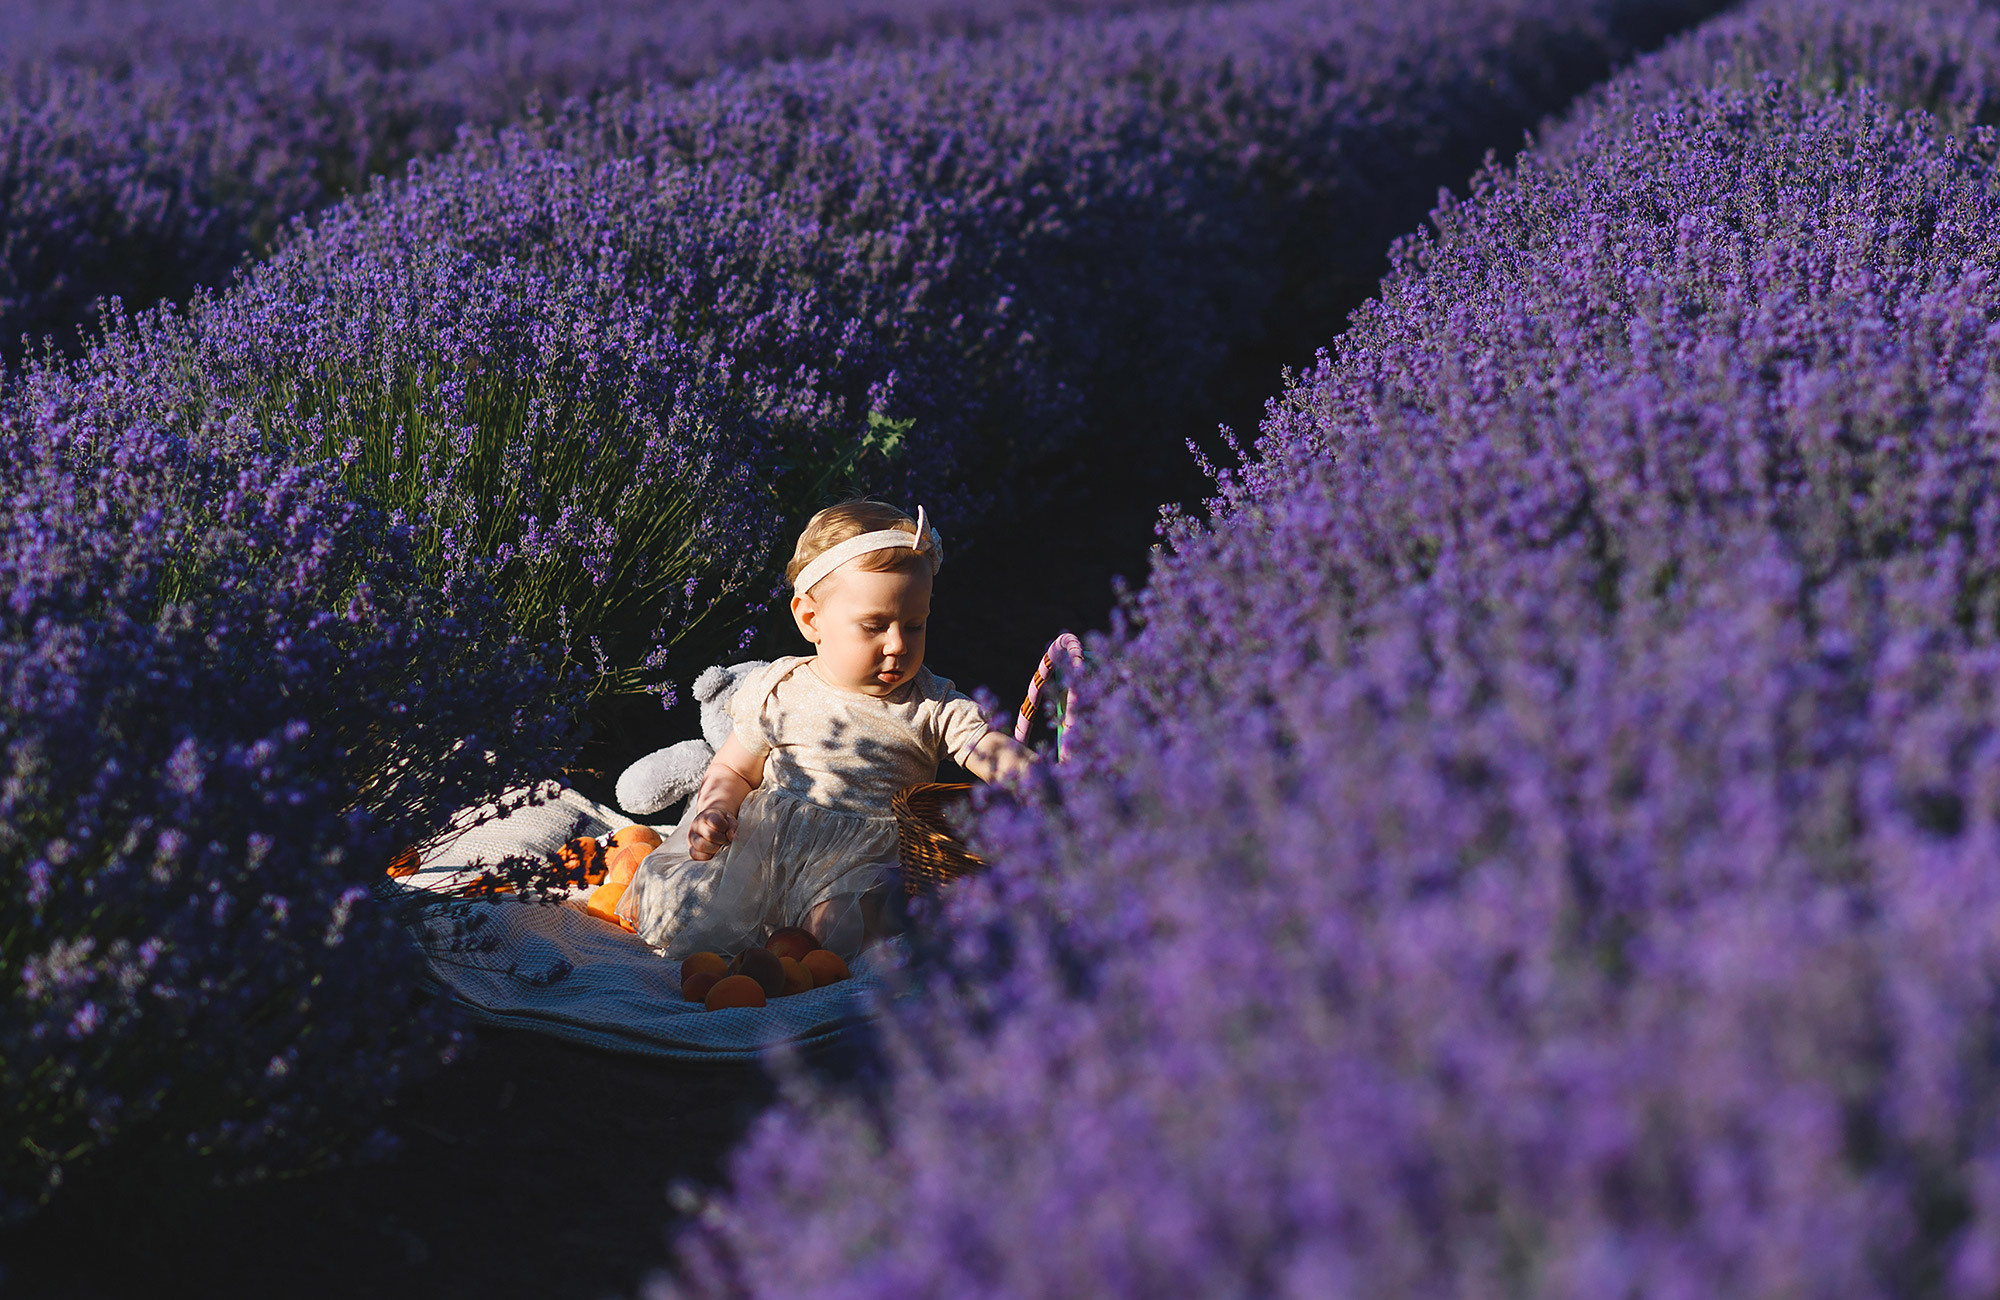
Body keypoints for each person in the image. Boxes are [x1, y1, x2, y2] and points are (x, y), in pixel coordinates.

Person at [618, 499, 1035, 958]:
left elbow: (987, 747)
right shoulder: (782, 688)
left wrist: (1045, 781)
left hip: (860, 867)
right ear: (811, 620)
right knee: (681, 903)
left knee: (834, 930)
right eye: (874, 626)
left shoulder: (931, 702)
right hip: (766, 852)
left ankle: (808, 963)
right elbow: (734, 769)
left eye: (914, 625)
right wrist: (715, 810)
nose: (897, 644)